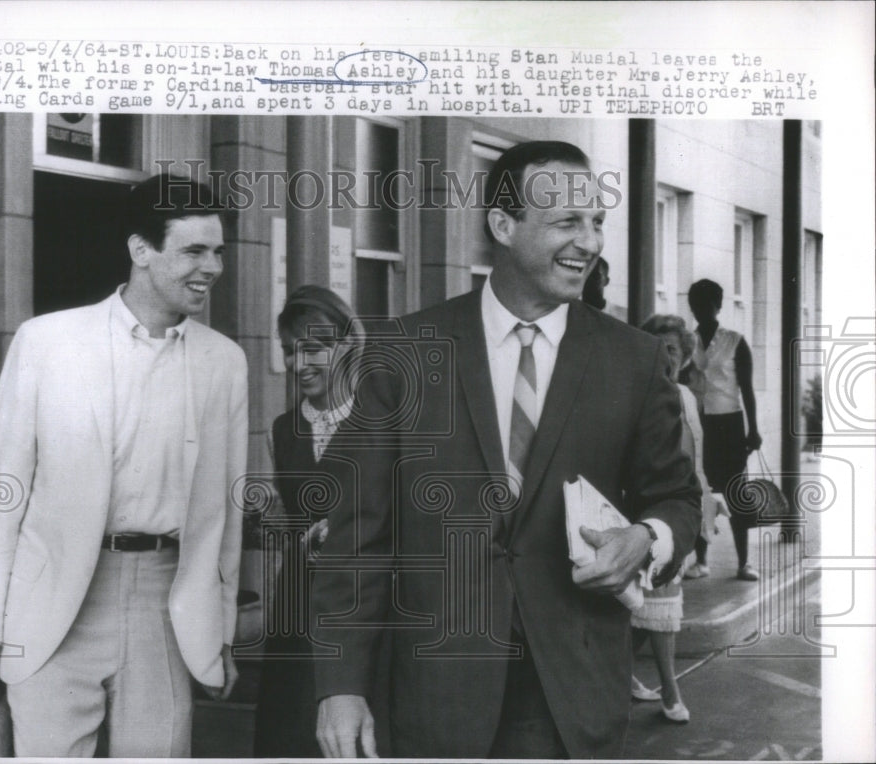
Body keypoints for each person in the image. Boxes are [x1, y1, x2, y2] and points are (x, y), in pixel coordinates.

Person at [311, 141, 702, 758]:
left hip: (571, 694)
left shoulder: (633, 360)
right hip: (434, 691)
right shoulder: (408, 351)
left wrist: (649, 537)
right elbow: (357, 537)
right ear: (503, 225)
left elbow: (677, 497)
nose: (591, 242)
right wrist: (340, 685)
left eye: (597, 222)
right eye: (567, 222)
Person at [0, 174, 248, 757]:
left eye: (218, 252)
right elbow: (1, 497)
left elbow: (225, 519)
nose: (211, 266)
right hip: (55, 606)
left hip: (167, 604)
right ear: (141, 250)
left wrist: (222, 633)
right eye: (193, 250)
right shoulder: (46, 342)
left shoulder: (224, 363)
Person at [253, 285, 365, 757]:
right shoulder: (284, 428)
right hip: (297, 617)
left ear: (347, 345)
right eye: (288, 352)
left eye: (313, 348)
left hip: (365, 614)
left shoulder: (383, 421)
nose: (300, 365)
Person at [631, 314, 721, 724]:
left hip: (680, 511)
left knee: (642, 606)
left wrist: (707, 500)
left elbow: (693, 457)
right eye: (657, 348)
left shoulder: (685, 395)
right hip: (642, 513)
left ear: (684, 357)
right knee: (659, 601)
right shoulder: (633, 393)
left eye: (673, 349)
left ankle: (621, 673)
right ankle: (670, 689)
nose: (665, 356)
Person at [685, 279, 763, 581]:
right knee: (700, 490)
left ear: (718, 305)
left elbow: (747, 388)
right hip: (698, 424)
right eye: (696, 303)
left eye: (706, 303)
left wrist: (753, 429)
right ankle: (701, 561)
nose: (701, 309)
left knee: (735, 491)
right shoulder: (688, 341)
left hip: (729, 424)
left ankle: (745, 562)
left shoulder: (735, 341)